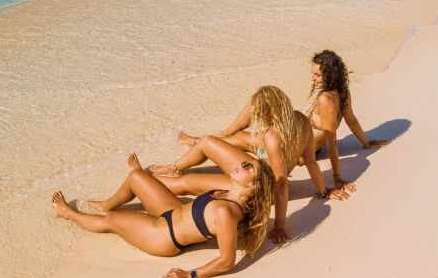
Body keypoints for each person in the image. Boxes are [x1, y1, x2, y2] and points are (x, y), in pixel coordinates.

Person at [50, 140, 275, 278]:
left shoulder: (227, 213)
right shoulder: (227, 190)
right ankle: (108, 203)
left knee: (110, 222)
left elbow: (227, 261)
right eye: (245, 162)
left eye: (248, 168)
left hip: (163, 237)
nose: (241, 165)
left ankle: (69, 214)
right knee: (136, 177)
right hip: (172, 211)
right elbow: (188, 186)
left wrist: (189, 275)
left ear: (254, 187)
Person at [150, 85, 348, 244]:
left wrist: (279, 225)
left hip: (255, 185)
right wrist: (323, 192)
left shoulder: (272, 136)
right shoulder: (302, 121)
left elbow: (280, 183)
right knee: (208, 142)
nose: (257, 117)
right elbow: (312, 163)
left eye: (260, 112)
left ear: (270, 112)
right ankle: (174, 167)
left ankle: (147, 184)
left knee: (189, 183)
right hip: (257, 168)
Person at [307, 50, 389, 189]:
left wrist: (337, 177)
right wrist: (366, 143)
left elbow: (332, 140)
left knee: (261, 147)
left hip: (299, 152)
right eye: (313, 73)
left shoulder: (325, 99)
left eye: (317, 75)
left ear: (330, 75)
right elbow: (351, 121)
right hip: (300, 144)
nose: (312, 79)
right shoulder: (342, 91)